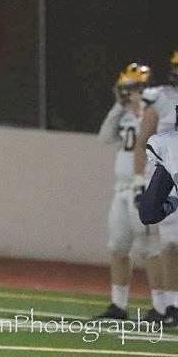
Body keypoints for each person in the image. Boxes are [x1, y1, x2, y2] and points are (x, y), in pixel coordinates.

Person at [92, 63, 166, 321]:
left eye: (132, 89)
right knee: (117, 246)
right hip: (121, 188)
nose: (127, 94)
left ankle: (161, 306)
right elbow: (104, 137)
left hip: (146, 186)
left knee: (150, 248)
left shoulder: (157, 114)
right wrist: (118, 107)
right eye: (126, 89)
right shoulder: (122, 113)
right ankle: (118, 305)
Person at [133, 50, 178, 327]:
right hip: (167, 177)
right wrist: (139, 180)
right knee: (171, 244)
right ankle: (172, 305)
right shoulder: (160, 98)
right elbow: (143, 141)